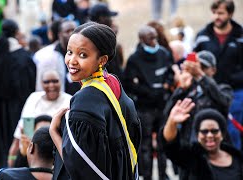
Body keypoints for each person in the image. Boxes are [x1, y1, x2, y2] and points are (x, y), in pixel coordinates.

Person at [50, 22, 141, 180]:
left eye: (83, 55)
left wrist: (54, 132)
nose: (72, 60)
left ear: (102, 60)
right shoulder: (112, 81)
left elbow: (80, 167)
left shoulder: (85, 99)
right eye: (69, 52)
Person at [123, 25, 172, 180]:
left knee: (163, 143)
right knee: (145, 146)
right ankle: (148, 176)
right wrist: (150, 92)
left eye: (155, 37)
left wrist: (165, 86)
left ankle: (164, 175)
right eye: (150, 37)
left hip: (163, 106)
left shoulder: (164, 53)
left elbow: (171, 72)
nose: (154, 41)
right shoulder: (134, 59)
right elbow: (129, 83)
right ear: (142, 39)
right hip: (145, 109)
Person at [193, 0, 243, 148]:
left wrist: (232, 78)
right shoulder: (202, 36)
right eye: (214, 13)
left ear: (230, 14)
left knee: (233, 132)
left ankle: (235, 165)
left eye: (220, 13)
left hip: (236, 93)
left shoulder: (240, 37)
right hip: (207, 92)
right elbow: (193, 60)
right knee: (209, 130)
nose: (216, 17)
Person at [0, 19, 36, 169]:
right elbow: (29, 85)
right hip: (20, 109)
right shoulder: (24, 57)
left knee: (3, 146)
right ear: (16, 32)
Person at [160, 98, 243, 180]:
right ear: (197, 135)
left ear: (222, 134)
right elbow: (171, 146)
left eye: (214, 131)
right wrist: (172, 122)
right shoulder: (192, 157)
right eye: (204, 131)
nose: (210, 135)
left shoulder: (237, 158)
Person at [8, 70, 72, 167]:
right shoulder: (33, 99)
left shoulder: (69, 101)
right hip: (29, 154)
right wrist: (11, 160)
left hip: (59, 156)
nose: (51, 85)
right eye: (47, 82)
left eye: (55, 81)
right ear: (41, 83)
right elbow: (19, 137)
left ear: (61, 81)